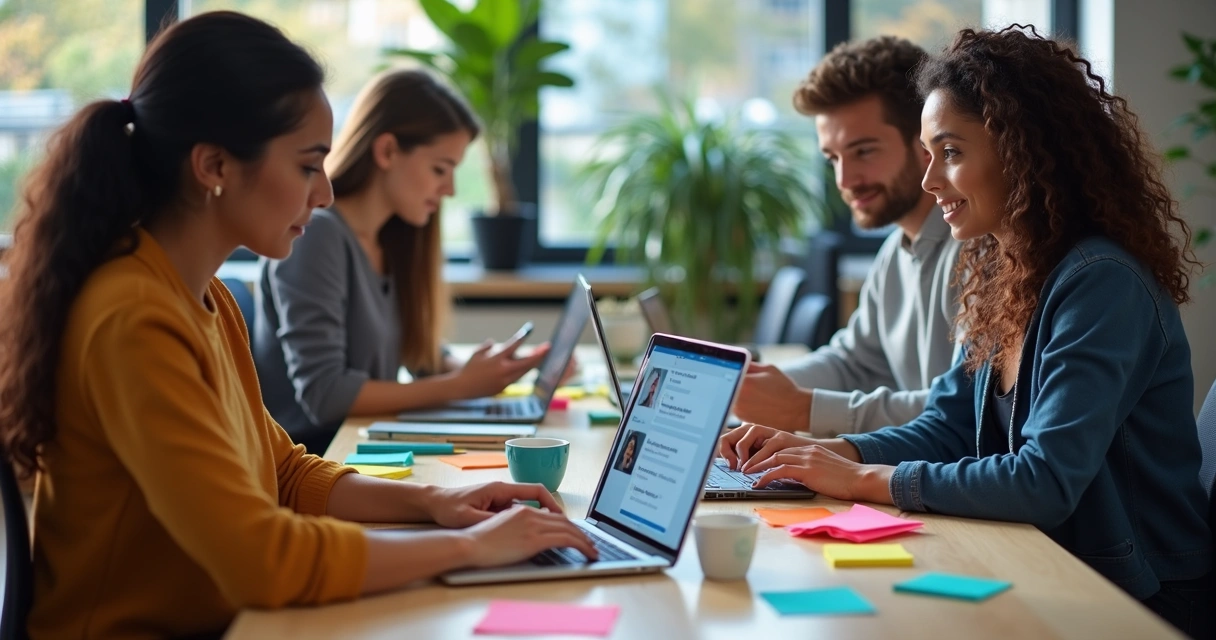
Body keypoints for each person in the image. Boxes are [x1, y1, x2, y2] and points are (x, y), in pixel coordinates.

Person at [0, 13, 595, 639]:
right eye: (308, 166)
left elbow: (283, 472)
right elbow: (263, 561)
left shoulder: (204, 299)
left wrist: (437, 503)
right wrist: (471, 549)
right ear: (215, 167)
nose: (326, 194)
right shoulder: (132, 318)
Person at [720, 27, 1213, 638]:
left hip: (1138, 594)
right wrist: (825, 456)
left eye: (950, 153)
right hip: (1049, 560)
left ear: (1027, 149)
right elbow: (950, 425)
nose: (930, 183)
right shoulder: (998, 270)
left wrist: (860, 478)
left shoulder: (1100, 282)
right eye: (927, 156)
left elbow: (1044, 480)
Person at [254, 69, 549, 454]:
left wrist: (497, 370)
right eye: (440, 169)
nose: (450, 189)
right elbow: (326, 395)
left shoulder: (392, 239)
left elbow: (418, 358)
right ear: (387, 151)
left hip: (365, 448)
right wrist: (461, 385)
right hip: (322, 460)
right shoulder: (317, 235)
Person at [733, 36, 962, 438]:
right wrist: (750, 387)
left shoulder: (981, 250)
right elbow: (852, 363)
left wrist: (806, 410)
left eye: (864, 151)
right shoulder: (896, 251)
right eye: (833, 158)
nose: (845, 181)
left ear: (926, 144)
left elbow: (964, 413)